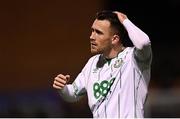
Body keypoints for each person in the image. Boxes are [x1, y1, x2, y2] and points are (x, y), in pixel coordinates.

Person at [53, 10, 152, 118]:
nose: (92, 37)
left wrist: (125, 20)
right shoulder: (92, 63)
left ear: (114, 39)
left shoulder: (135, 58)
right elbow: (72, 94)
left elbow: (143, 43)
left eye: (98, 32)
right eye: (92, 31)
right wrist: (63, 88)